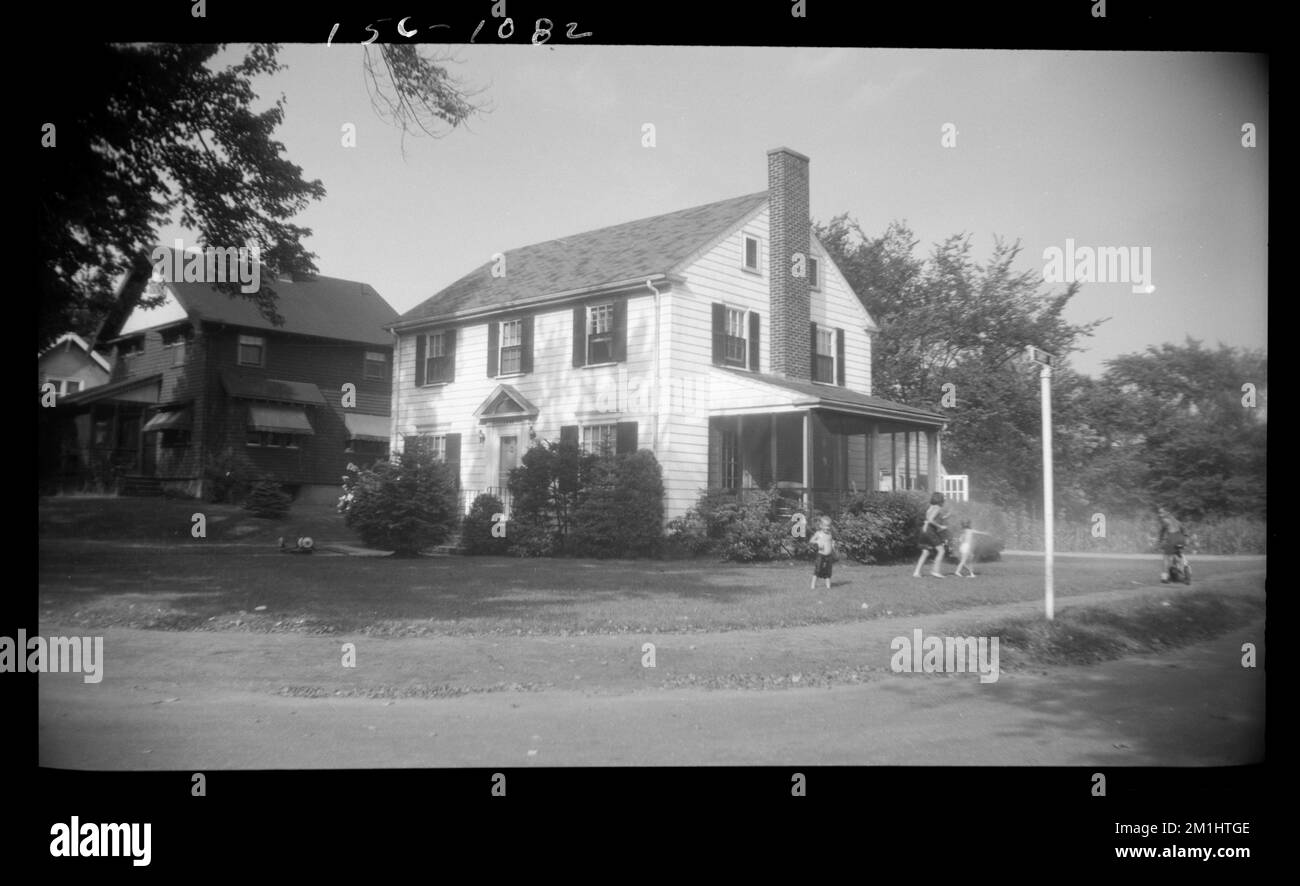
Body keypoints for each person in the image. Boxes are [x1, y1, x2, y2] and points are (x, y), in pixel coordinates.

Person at [913, 492, 949, 578]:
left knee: (925, 552)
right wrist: (941, 527)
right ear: (940, 500)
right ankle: (935, 571)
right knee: (941, 551)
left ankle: (916, 572)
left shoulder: (930, 508)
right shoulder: (938, 508)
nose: (944, 501)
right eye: (943, 499)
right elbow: (931, 520)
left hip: (924, 530)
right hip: (930, 530)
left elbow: (930, 518)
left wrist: (946, 517)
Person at [1157, 506, 1187, 583]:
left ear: (1167, 512)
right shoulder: (1176, 520)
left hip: (1172, 537)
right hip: (1180, 538)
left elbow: (1161, 532)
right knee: (1177, 556)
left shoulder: (1165, 520)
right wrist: (1185, 538)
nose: (1160, 514)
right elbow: (1183, 529)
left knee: (1166, 557)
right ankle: (1180, 574)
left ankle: (1164, 577)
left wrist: (1159, 541)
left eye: (1161, 512)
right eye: (1159, 513)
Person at [809, 516, 836, 590]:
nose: (828, 528)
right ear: (821, 526)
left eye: (829, 526)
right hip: (821, 555)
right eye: (826, 526)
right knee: (818, 570)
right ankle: (813, 586)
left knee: (828, 571)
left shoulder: (830, 534)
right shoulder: (818, 533)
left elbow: (831, 543)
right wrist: (817, 542)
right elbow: (811, 541)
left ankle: (828, 587)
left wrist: (833, 549)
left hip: (829, 556)